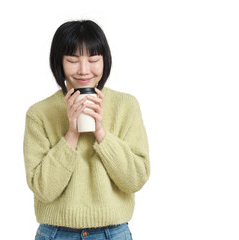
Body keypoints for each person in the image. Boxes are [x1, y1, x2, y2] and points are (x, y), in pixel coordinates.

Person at [23, 20, 150, 240]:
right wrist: (71, 135)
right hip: (56, 233)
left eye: (93, 60)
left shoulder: (126, 106)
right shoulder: (39, 113)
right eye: (72, 60)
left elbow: (135, 179)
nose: (84, 70)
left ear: (105, 61)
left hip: (113, 233)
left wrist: (101, 132)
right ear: (59, 63)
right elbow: (43, 189)